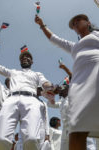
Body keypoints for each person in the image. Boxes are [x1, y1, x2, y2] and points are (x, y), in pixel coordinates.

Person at [35, 14, 99, 150]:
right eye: (73, 24)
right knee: (76, 130)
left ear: (88, 22)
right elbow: (54, 39)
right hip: (80, 88)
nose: (75, 24)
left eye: (78, 21)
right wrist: (42, 25)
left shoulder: (97, 35)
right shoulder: (74, 46)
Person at [0, 38, 54, 150]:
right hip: (11, 100)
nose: (25, 58)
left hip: (31, 100)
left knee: (32, 139)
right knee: (1, 139)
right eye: (22, 57)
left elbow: (46, 84)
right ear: (20, 62)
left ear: (32, 61)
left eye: (28, 57)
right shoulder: (13, 72)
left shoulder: (37, 74)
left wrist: (52, 86)